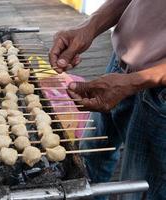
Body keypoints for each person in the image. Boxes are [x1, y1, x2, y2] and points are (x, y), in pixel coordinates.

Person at [49, 0, 166, 199]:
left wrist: (134, 82)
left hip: (160, 97)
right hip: (122, 61)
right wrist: (90, 26)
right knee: (89, 158)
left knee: (136, 189)